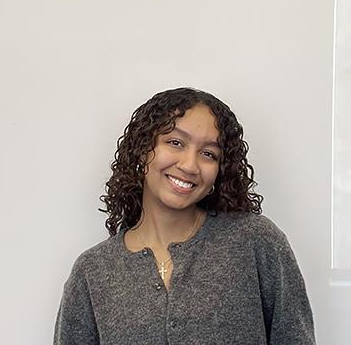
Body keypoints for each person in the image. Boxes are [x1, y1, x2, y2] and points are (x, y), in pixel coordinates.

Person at [54, 87, 315, 344]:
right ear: (143, 149)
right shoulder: (93, 270)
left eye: (208, 154)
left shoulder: (254, 241)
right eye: (175, 142)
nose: (190, 165)